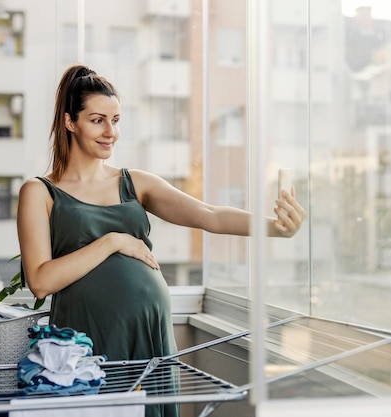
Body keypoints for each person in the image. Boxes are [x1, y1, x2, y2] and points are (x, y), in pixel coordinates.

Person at [16, 64, 306, 416]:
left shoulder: (135, 183)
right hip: (88, 336)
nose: (111, 132)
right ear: (69, 122)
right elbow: (41, 281)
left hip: (149, 332)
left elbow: (209, 215)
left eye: (116, 120)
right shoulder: (40, 192)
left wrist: (275, 227)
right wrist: (113, 241)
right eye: (97, 120)